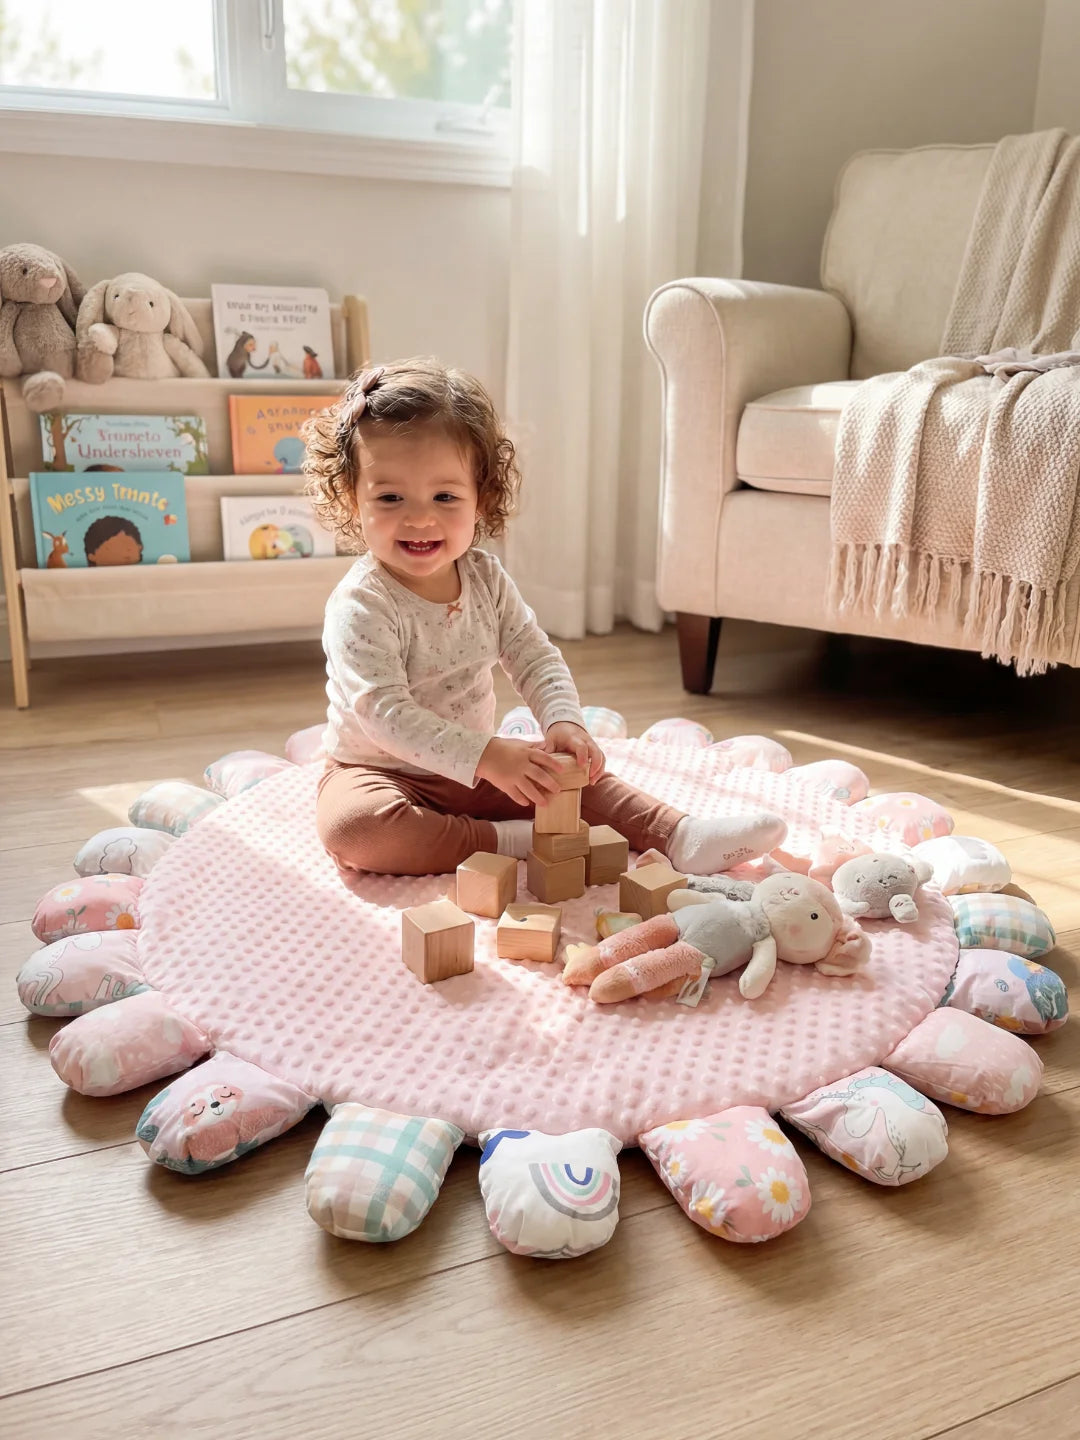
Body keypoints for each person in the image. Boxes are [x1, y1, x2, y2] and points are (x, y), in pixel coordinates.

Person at [303, 358, 785, 878]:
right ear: (352, 499)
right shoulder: (362, 603)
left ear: (482, 498)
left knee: (568, 775)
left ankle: (679, 834)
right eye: (390, 497)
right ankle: (505, 840)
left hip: (472, 768)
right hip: (381, 771)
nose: (420, 517)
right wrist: (489, 756)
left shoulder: (485, 577)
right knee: (355, 829)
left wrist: (562, 722)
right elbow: (385, 716)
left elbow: (532, 655)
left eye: (445, 496)